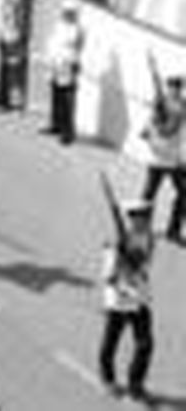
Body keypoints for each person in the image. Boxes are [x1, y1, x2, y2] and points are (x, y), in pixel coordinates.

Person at [98, 198, 155, 400]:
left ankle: (135, 383)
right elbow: (108, 276)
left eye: (146, 217)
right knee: (110, 344)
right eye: (140, 217)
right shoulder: (114, 242)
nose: (145, 221)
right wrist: (119, 258)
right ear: (130, 219)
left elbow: (145, 265)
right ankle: (108, 380)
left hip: (140, 298)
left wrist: (135, 265)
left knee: (145, 344)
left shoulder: (148, 237)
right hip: (119, 300)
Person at [138, 72, 186, 242]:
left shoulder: (177, 106)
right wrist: (148, 129)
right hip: (159, 159)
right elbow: (151, 126)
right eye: (172, 87)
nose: (175, 90)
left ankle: (173, 230)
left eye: (177, 87)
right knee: (148, 195)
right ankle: (140, 229)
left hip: (173, 160)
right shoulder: (163, 105)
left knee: (182, 194)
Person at [43, 1, 85, 145]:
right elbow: (53, 42)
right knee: (56, 95)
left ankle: (68, 132)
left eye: (69, 12)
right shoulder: (59, 25)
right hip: (56, 62)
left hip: (68, 63)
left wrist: (73, 63)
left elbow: (76, 45)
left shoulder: (77, 29)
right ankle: (56, 124)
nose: (66, 14)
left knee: (68, 99)